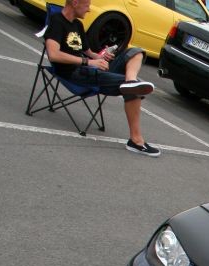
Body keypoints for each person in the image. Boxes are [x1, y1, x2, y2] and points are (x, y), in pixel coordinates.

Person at [44, 0, 160, 156]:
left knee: (136, 52)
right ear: (75, 3)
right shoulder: (57, 22)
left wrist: (100, 57)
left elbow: (88, 52)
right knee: (135, 89)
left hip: (89, 69)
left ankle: (130, 81)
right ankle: (136, 140)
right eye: (87, 5)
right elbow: (53, 54)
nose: (89, 10)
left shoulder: (77, 24)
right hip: (75, 73)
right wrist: (88, 62)